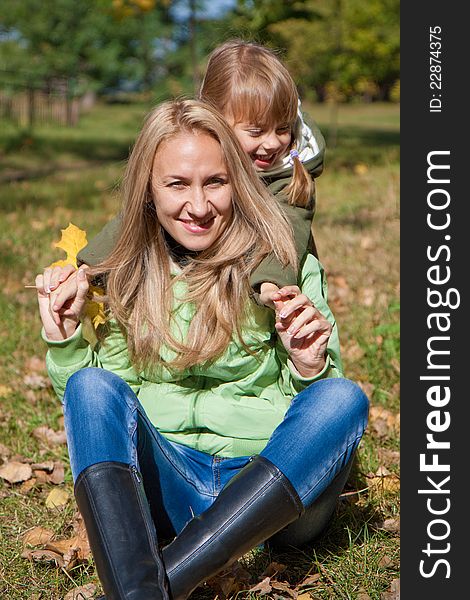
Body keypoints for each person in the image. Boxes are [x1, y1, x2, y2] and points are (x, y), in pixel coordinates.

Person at [37, 99, 368, 600]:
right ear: (148, 190)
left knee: (342, 400)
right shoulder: (123, 269)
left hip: (272, 499)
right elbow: (105, 407)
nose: (198, 205)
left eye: (215, 182)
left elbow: (319, 414)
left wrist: (307, 367)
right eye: (176, 184)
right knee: (89, 386)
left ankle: (147, 587)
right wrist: (64, 343)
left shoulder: (284, 260)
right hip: (168, 482)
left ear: (238, 180)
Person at [65, 40, 325, 306]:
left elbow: (286, 235)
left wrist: (271, 286)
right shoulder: (198, 157)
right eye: (256, 131)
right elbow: (135, 217)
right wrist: (90, 268)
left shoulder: (289, 176)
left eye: (282, 129)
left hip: (267, 287)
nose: (272, 143)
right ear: (215, 121)